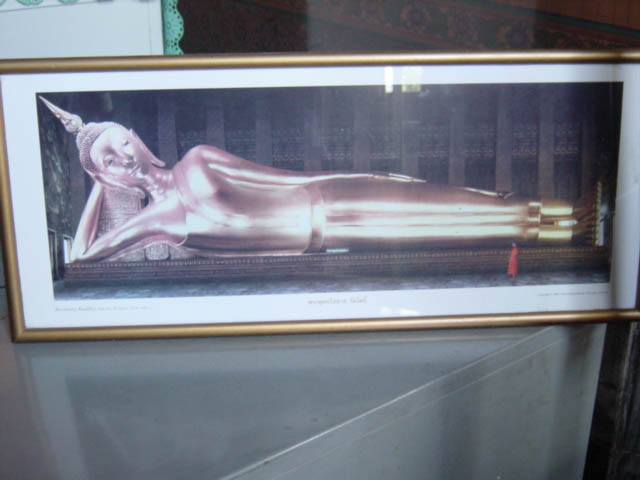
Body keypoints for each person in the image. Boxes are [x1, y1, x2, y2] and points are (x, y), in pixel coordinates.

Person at [40, 97, 590, 263]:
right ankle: (556, 230)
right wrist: (97, 181)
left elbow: (281, 178)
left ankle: (565, 215)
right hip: (323, 235)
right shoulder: (160, 219)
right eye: (109, 161)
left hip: (323, 196)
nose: (122, 160)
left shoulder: (197, 159)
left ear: (136, 136)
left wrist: (358, 175)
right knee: (447, 228)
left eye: (120, 144)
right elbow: (83, 256)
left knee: (444, 200)